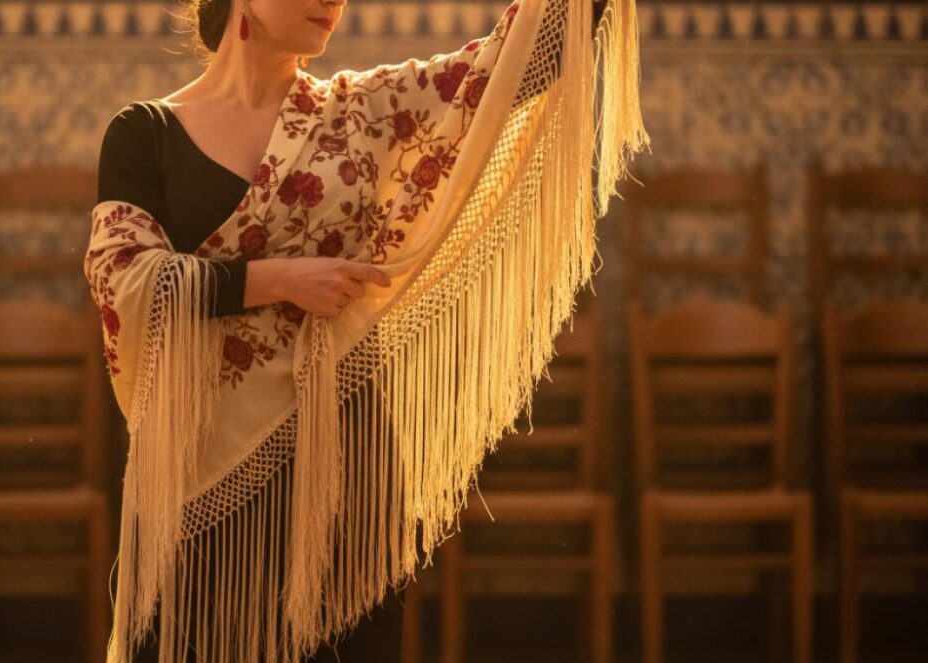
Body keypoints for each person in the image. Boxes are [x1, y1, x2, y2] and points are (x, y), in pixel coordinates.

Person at [85, 0, 647, 661]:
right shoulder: (143, 133)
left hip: (344, 468)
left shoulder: (362, 115)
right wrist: (280, 280)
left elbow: (509, 66)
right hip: (199, 481)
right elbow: (126, 282)